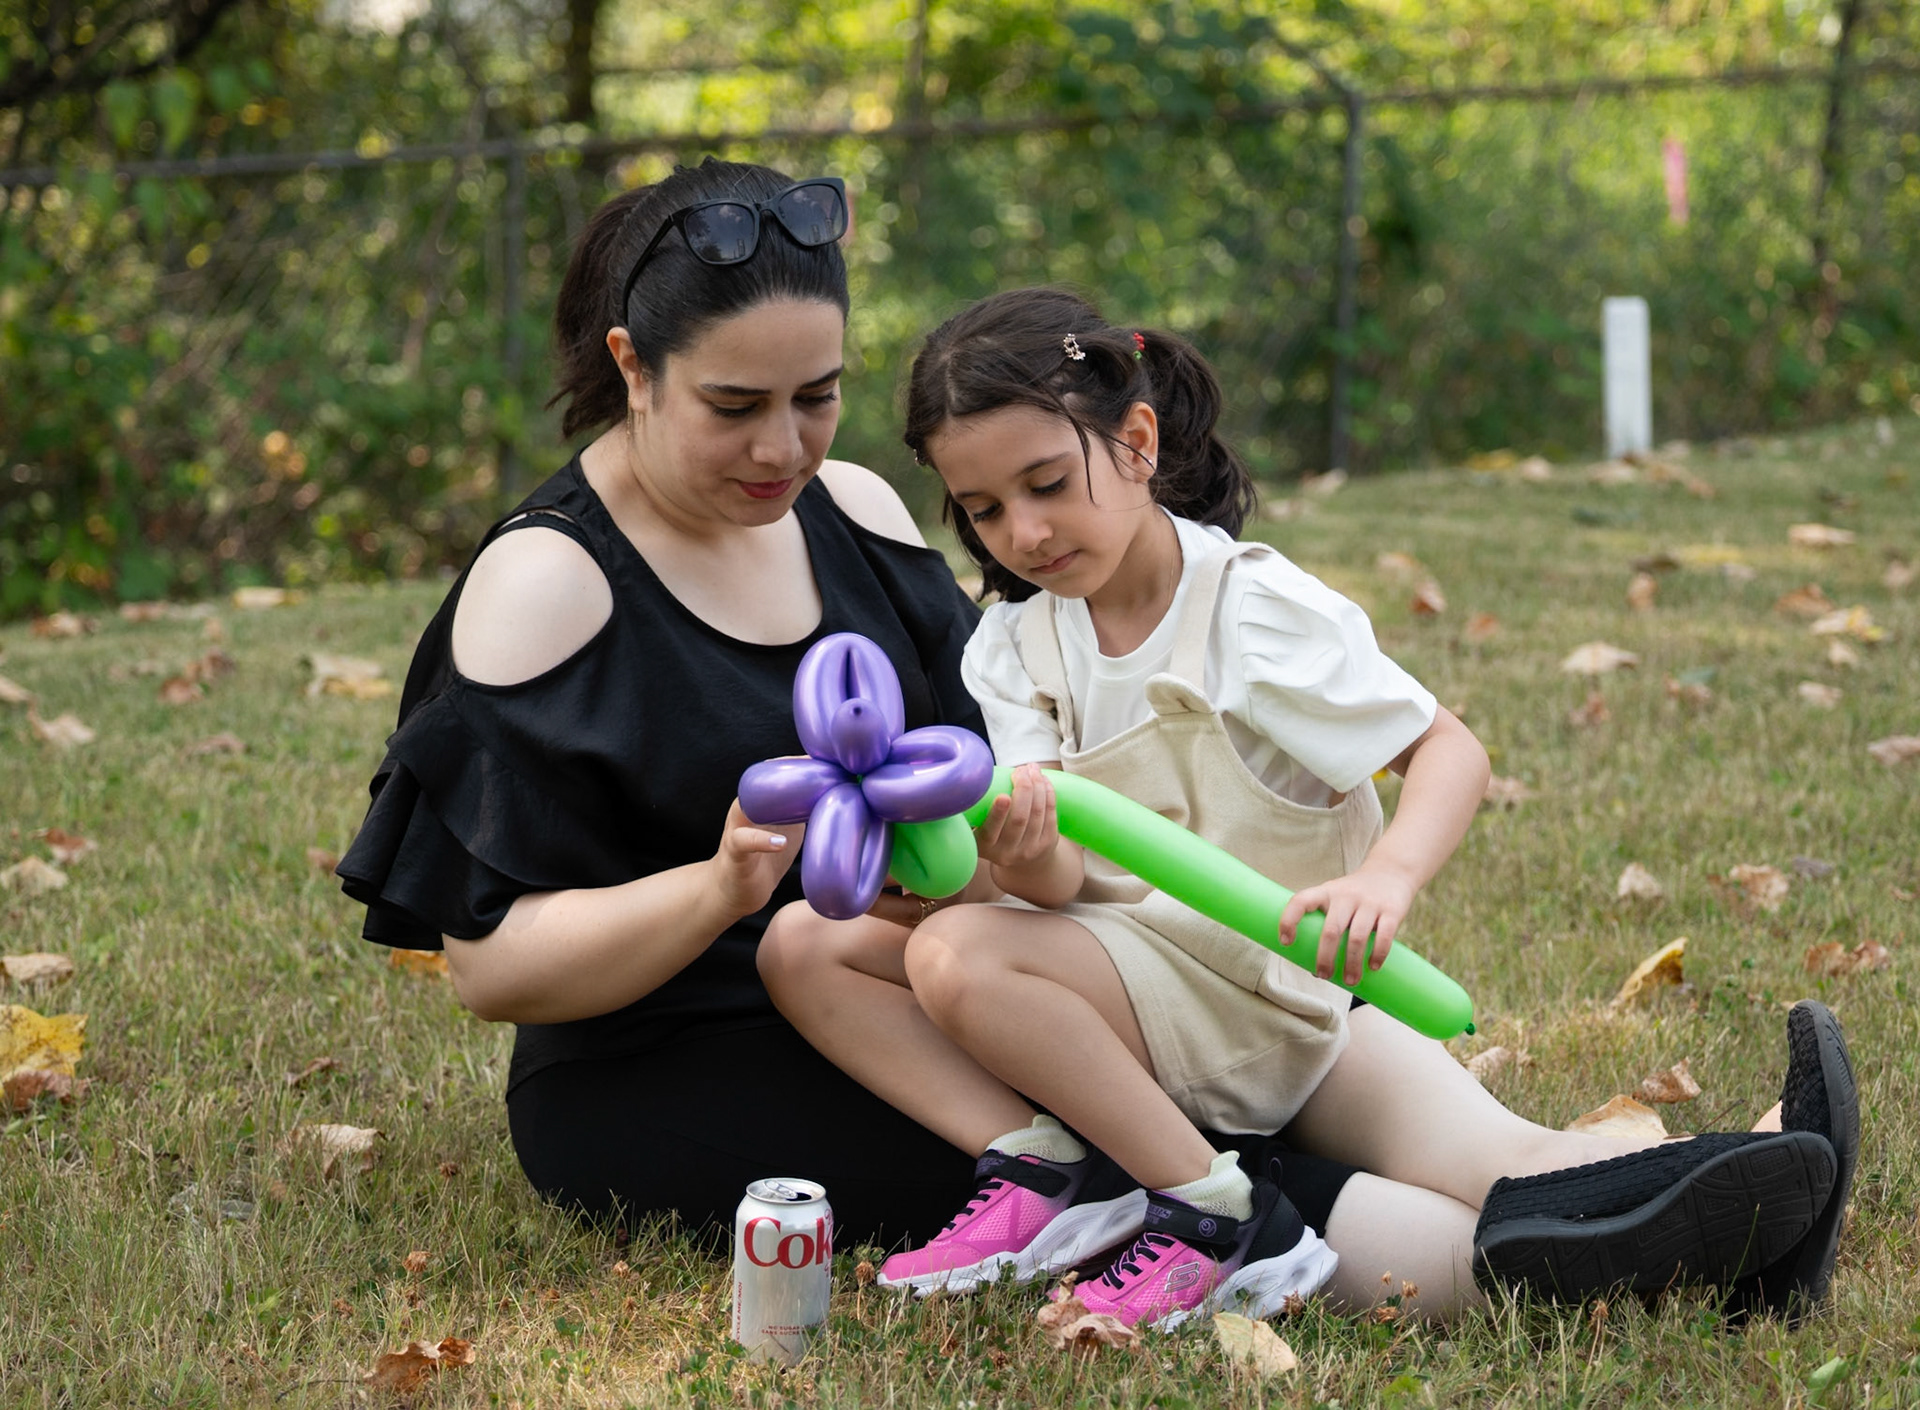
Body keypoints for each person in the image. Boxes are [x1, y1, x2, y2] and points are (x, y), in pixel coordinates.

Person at [755, 287, 1856, 1327]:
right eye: (986, 509)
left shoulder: (1251, 610)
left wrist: (1387, 879)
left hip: (1263, 990)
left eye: (1047, 483)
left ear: (1137, 444)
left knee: (1514, 1169)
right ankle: (1097, 1175)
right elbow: (1061, 885)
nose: (1025, 533)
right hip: (1138, 998)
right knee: (816, 940)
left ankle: (1771, 1177)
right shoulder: (1015, 643)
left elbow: (1448, 751)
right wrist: (1022, 854)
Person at [336, 157, 990, 1243]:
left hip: (903, 992)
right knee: (1078, 1157)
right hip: (675, 1059)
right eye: (734, 405)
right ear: (633, 367)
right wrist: (719, 888)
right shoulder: (546, 587)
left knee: (1186, 1078)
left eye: (817, 396)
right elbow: (491, 968)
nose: (783, 447)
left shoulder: (859, 513)